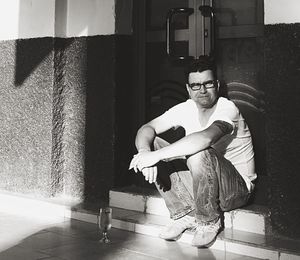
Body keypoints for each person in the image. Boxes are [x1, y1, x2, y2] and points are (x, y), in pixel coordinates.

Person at [129, 56, 257, 248]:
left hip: (236, 191)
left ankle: (208, 221)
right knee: (154, 142)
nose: (202, 90)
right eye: (196, 85)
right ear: (188, 89)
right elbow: (147, 128)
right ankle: (185, 214)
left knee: (199, 150)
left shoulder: (227, 108)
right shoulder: (186, 108)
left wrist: (153, 158)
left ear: (217, 85)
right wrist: (144, 152)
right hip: (204, 185)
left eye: (208, 83)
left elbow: (205, 138)